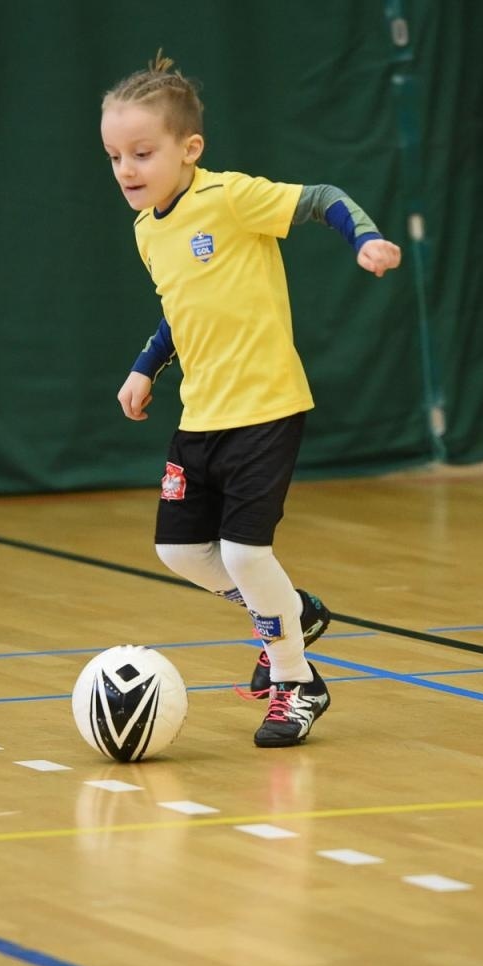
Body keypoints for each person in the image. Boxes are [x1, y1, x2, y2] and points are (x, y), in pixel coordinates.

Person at [100, 52, 400, 748]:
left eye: (142, 152)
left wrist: (368, 238)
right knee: (179, 550)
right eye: (115, 156)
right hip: (200, 413)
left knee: (242, 553)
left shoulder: (230, 198)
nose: (127, 169)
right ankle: (292, 611)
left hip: (265, 406)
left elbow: (323, 197)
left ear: (189, 149)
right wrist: (147, 367)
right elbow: (182, 306)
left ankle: (297, 683)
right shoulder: (148, 231)